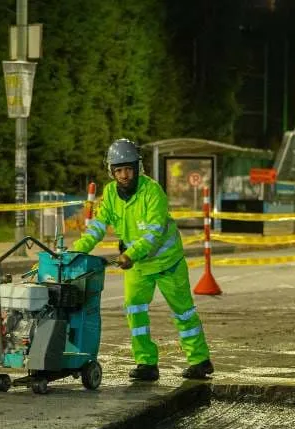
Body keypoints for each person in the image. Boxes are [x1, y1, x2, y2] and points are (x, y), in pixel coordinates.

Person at [70, 138, 213, 382]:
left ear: (138, 168)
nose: (124, 175)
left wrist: (130, 255)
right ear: (112, 172)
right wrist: (76, 252)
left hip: (168, 263)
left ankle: (200, 361)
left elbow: (153, 233)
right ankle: (146, 363)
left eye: (128, 169)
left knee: (183, 313)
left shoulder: (152, 191)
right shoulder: (111, 194)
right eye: (118, 170)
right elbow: (97, 226)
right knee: (135, 311)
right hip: (137, 264)